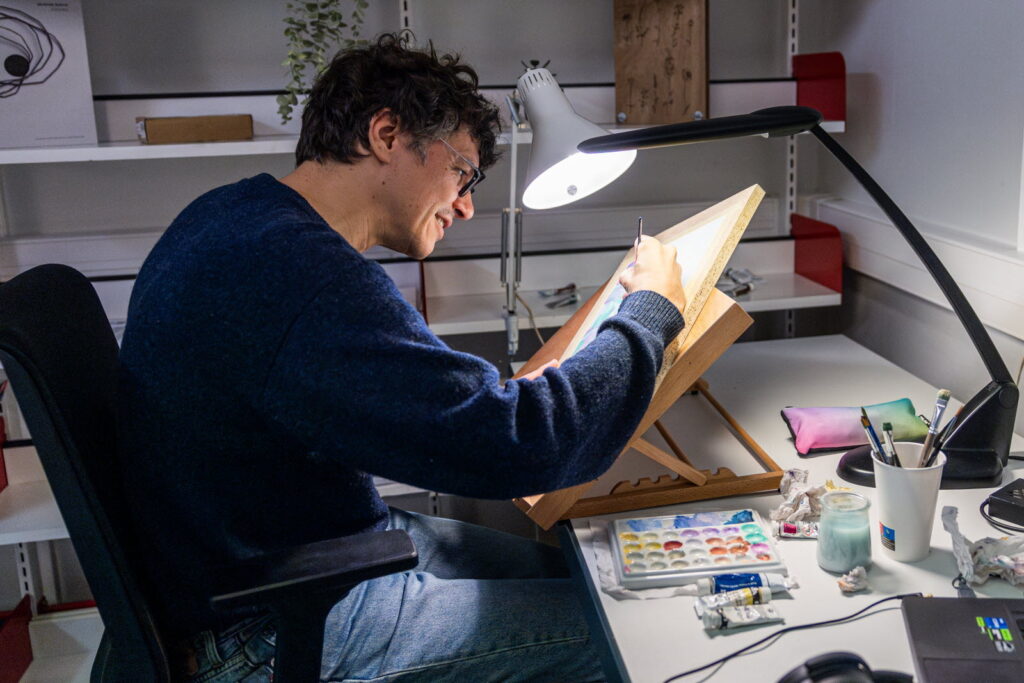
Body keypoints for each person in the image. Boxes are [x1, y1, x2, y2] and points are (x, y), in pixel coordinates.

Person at [118, 33, 686, 682]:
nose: (466, 206)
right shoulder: (299, 274)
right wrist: (648, 314)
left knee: (583, 577)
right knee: (638, 630)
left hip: (291, 556)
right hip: (270, 624)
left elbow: (457, 415)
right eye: (462, 173)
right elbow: (519, 444)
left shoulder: (234, 215)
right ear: (387, 135)